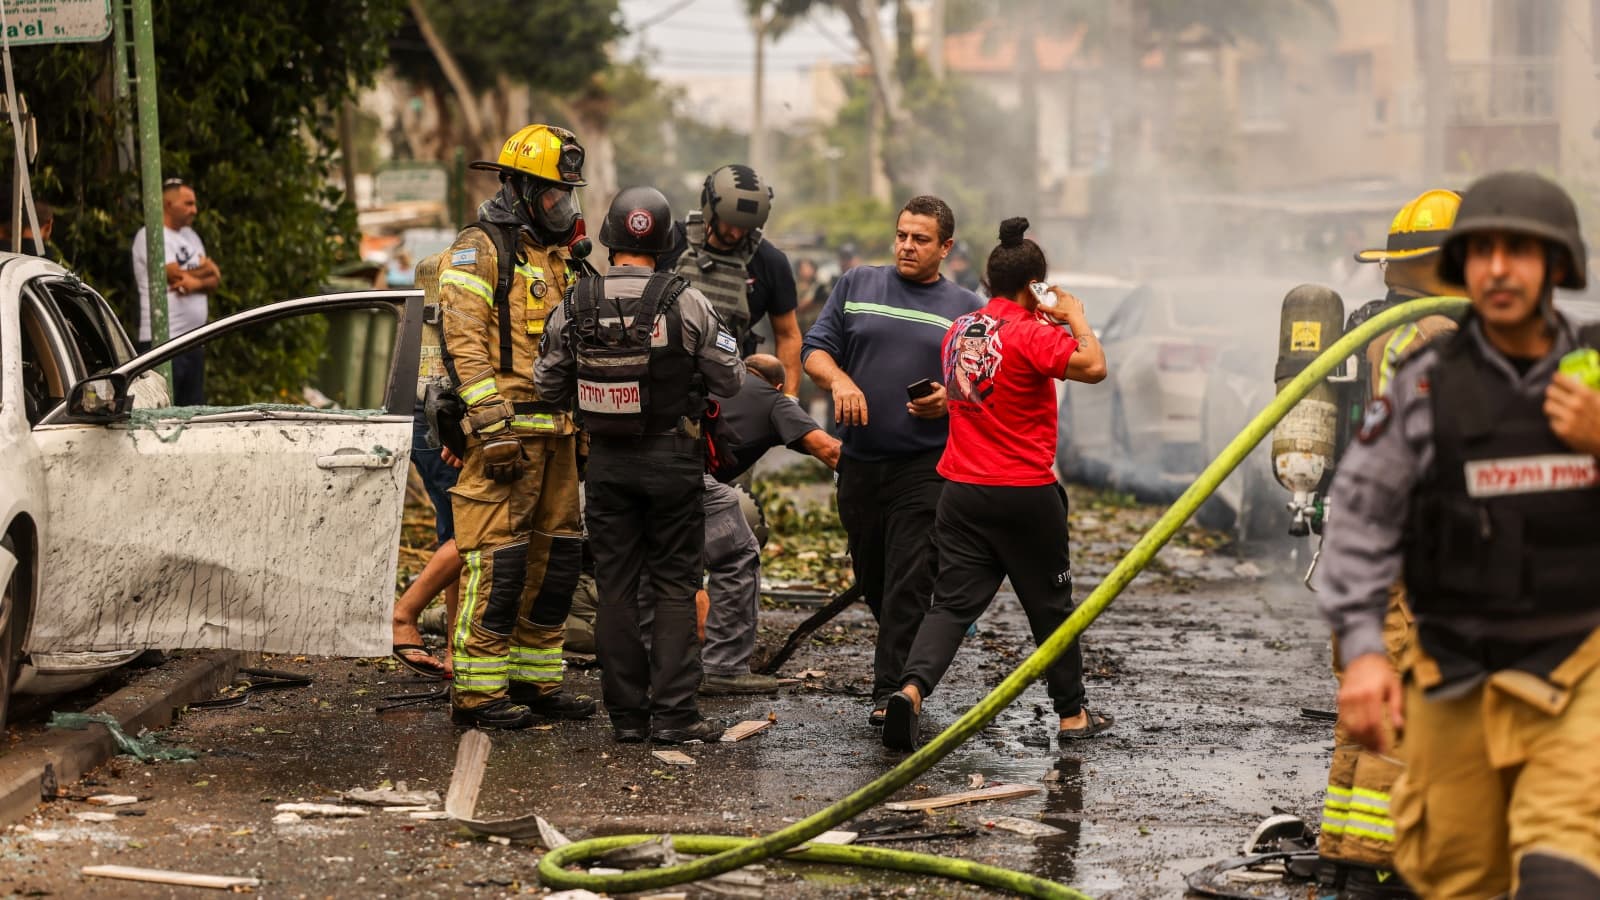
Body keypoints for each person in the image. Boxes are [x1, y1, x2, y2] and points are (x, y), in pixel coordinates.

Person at [1318, 170, 1600, 898]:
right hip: (1457, 671)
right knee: (1457, 870)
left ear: (1558, 266)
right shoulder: (1427, 376)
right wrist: (1363, 647)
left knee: (1563, 864)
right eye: (1483, 251)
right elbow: (1360, 509)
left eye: (1521, 251)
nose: (1500, 268)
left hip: (1572, 671)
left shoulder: (1590, 369)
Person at [879, 217, 1108, 751]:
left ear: (987, 278)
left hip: (960, 492)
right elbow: (1093, 367)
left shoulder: (961, 329)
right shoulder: (1034, 333)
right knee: (1051, 608)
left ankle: (910, 691)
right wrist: (1074, 315)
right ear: (1036, 286)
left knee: (952, 605)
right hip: (1024, 494)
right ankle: (1072, 716)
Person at [535, 185, 743, 744]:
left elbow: (547, 384)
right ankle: (675, 718)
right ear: (668, 242)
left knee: (616, 588)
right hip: (674, 461)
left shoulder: (575, 302)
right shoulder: (688, 300)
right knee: (676, 587)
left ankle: (627, 718)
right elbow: (731, 378)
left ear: (608, 238)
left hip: (606, 465)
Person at [1313, 188, 1463, 899]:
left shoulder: (1382, 327)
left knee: (1367, 704)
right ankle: (1385, 862)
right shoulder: (1433, 335)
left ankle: (1349, 846)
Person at [802, 195, 983, 726]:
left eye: (920, 238)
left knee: (910, 575)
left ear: (945, 247)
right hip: (859, 462)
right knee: (875, 573)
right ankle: (908, 666)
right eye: (902, 235)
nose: (907, 245)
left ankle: (893, 695)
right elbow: (816, 349)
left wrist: (949, 399)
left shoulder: (967, 308)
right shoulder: (857, 285)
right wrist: (839, 379)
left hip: (926, 466)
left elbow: (981, 386)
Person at [436, 123, 593, 730]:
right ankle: (477, 695)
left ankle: (534, 681)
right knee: (498, 564)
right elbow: (464, 341)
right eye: (555, 196)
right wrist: (490, 426)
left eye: (568, 196)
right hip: (507, 440)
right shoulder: (480, 249)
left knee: (554, 563)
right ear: (522, 189)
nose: (564, 208)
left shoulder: (561, 259)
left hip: (558, 438)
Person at [682, 353, 842, 695]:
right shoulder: (774, 400)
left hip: (630, 473)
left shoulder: (713, 379)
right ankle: (723, 668)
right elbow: (829, 450)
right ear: (779, 385)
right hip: (687, 477)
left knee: (663, 562)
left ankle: (650, 663)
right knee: (736, 550)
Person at [659, 164, 803, 397]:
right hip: (665, 382)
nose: (736, 233)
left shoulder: (771, 262)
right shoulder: (669, 242)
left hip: (731, 389)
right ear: (710, 209)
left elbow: (788, 335)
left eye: (745, 227)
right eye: (730, 222)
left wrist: (789, 401)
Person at [132, 178, 221, 404]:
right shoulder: (149, 235)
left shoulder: (191, 236)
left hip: (194, 342)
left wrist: (195, 283)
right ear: (168, 204)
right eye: (188, 204)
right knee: (162, 411)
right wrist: (205, 269)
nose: (195, 210)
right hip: (163, 342)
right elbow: (173, 275)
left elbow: (215, 278)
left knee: (191, 413)